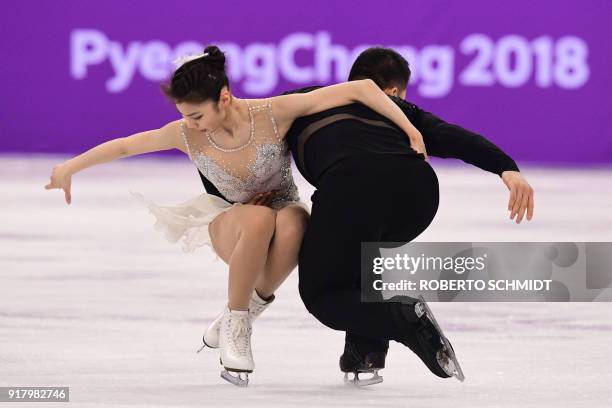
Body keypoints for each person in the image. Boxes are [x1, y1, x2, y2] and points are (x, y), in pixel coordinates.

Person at [43, 45, 431, 387]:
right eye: (185, 116)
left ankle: (249, 305)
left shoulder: (272, 113)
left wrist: (410, 129)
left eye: (196, 115)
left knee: (296, 220)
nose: (190, 123)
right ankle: (238, 321)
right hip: (231, 223)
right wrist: (69, 168)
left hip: (284, 218)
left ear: (224, 98)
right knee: (256, 219)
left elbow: (359, 89)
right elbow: (127, 146)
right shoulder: (186, 135)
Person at [197, 47, 535, 385]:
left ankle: (400, 316)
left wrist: (229, 197)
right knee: (363, 254)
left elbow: (232, 140)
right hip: (418, 194)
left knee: (323, 296)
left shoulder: (297, 101)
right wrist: (506, 168)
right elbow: (451, 135)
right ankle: (364, 353)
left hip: (351, 188)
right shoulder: (397, 109)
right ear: (392, 92)